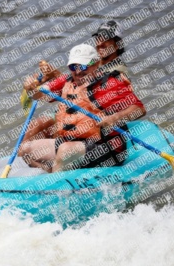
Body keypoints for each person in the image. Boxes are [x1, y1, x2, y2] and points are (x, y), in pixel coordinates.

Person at [19, 44, 146, 172]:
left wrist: (114, 118)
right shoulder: (67, 80)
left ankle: (56, 185)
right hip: (71, 143)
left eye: (83, 66)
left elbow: (139, 109)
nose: (78, 72)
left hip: (106, 149)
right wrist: (30, 88)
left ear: (96, 64)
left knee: (66, 150)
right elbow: (38, 95)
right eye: (73, 67)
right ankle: (51, 173)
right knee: (25, 150)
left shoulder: (109, 84)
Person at [23, 20, 128, 143]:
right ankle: (21, 158)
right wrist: (44, 82)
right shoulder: (92, 60)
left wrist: (55, 75)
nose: (100, 43)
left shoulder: (118, 71)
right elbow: (74, 83)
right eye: (99, 38)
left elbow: (85, 91)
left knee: (45, 127)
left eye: (106, 40)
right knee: (36, 125)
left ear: (117, 44)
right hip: (72, 113)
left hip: (89, 119)